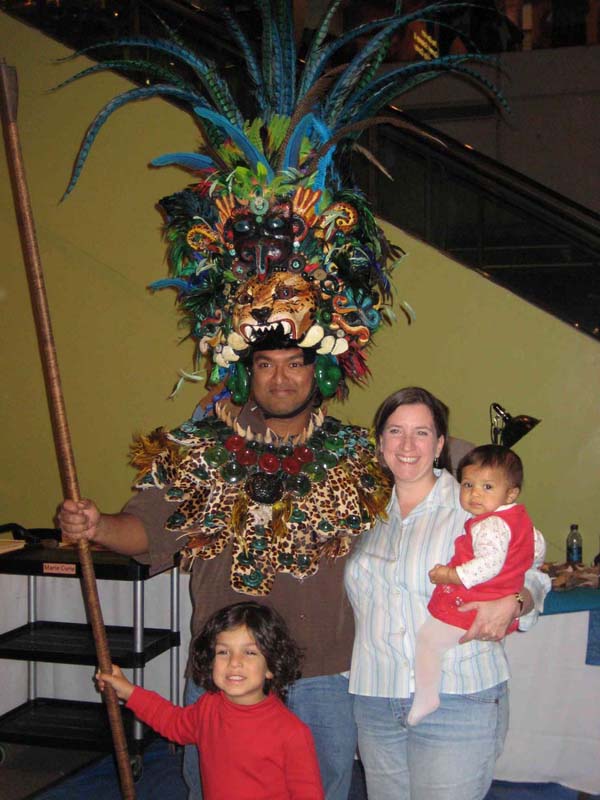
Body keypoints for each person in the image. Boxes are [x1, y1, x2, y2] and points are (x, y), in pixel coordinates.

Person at [344, 387, 550, 800]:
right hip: (376, 697)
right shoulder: (359, 510)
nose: (406, 445)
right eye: (395, 431)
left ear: (439, 444)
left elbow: (534, 571)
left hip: (458, 695)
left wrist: (515, 601)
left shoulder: (473, 504)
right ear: (380, 441)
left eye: (421, 433)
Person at [96, 601, 324, 800]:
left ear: (271, 667)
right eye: (224, 652)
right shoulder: (209, 706)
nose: (235, 662)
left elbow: (307, 794)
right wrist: (127, 691)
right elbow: (173, 722)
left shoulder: (291, 733)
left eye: (250, 653)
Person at [408, 444, 536, 726]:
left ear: (511, 493)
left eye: (487, 486)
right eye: (468, 484)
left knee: (428, 641)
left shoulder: (489, 525)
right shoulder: (519, 519)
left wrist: (451, 575)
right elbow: (536, 548)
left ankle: (427, 697)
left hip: (472, 602)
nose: (475, 493)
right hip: (489, 600)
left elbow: (488, 565)